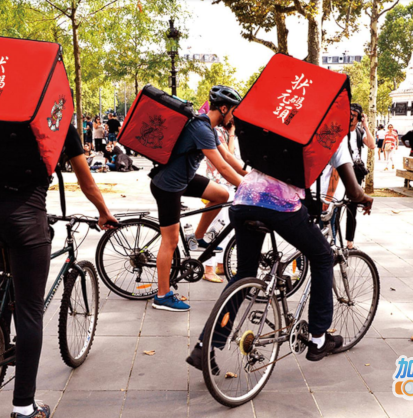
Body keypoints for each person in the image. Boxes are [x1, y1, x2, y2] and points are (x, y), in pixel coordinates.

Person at [186, 121, 374, 368]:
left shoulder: (278, 123)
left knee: (244, 274)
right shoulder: (331, 134)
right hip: (281, 205)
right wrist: (365, 198)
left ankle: (205, 346)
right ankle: (318, 339)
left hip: (243, 199)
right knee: (323, 257)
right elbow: (353, 190)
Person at [0, 124, 117, 418]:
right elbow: (86, 181)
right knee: (30, 311)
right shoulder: (60, 123)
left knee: (7, 264)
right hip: (25, 217)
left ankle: (0, 334)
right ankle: (24, 407)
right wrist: (103, 211)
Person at [150, 85, 247, 312]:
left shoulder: (209, 128)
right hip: (167, 186)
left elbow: (228, 157)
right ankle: (162, 295)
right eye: (234, 111)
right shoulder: (200, 128)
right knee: (170, 240)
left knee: (222, 194)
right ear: (224, 108)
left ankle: (197, 237)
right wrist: (246, 188)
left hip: (183, 179)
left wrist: (247, 175)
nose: (234, 117)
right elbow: (221, 166)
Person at [201, 119, 239, 283]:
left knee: (226, 227)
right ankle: (208, 269)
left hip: (227, 184)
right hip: (217, 185)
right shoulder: (217, 132)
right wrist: (232, 133)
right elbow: (228, 158)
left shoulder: (226, 132)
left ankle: (220, 265)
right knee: (215, 227)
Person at [340, 103, 376, 250]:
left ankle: (350, 241)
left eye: (353, 115)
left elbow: (372, 145)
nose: (350, 118)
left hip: (356, 172)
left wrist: (366, 125)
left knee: (352, 208)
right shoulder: (342, 131)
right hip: (342, 170)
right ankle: (333, 238)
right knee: (336, 206)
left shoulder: (359, 132)